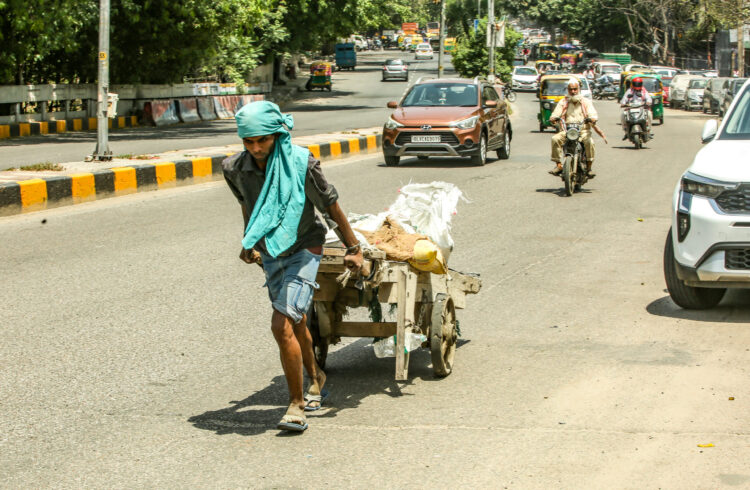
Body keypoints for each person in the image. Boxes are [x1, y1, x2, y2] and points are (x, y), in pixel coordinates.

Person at [222, 101, 364, 433]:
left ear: (276, 134)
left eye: (263, 140)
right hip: (270, 249)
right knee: (296, 318)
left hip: (304, 245)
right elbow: (248, 205)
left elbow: (329, 206)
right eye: (248, 141)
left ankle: (296, 404)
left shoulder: (302, 163)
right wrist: (248, 240)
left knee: (281, 323)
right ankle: (316, 377)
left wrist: (353, 248)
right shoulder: (234, 169)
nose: (256, 148)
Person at [548, 78, 599, 177]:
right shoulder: (563, 102)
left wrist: (592, 118)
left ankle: (589, 167)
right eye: (571, 89)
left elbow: (592, 113)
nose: (573, 91)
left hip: (583, 131)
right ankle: (559, 165)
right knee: (555, 139)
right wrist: (553, 118)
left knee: (590, 142)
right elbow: (556, 113)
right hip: (567, 131)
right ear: (568, 90)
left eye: (575, 89)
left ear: (578, 89)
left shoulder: (585, 102)